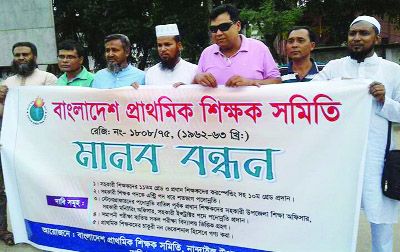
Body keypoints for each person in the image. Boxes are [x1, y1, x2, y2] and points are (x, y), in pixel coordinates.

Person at [313, 16, 400, 252]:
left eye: (363, 33)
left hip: (376, 157)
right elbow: (311, 96)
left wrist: (385, 100)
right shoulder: (334, 68)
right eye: (353, 34)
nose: (357, 39)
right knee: (336, 216)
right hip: (339, 157)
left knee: (379, 217)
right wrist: (340, 86)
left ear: (377, 38)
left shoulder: (392, 71)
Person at [0, 41, 58, 246]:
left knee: (39, 185)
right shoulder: (9, 82)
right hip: (15, 145)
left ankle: (47, 228)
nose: (21, 58)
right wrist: (0, 101)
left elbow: (54, 109)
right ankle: (14, 230)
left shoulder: (47, 79)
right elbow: (4, 115)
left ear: (35, 56)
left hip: (41, 145)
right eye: (17, 55)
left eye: (25, 54)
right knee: (14, 187)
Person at [194, 4, 281, 87]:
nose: (218, 33)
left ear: (238, 26)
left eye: (224, 27)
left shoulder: (259, 49)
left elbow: (276, 81)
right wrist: (198, 78)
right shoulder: (207, 53)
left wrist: (251, 83)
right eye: (213, 29)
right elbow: (194, 87)